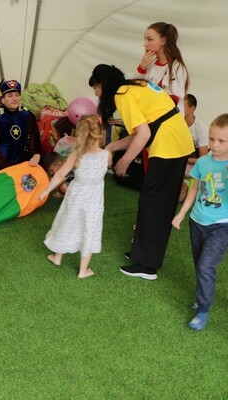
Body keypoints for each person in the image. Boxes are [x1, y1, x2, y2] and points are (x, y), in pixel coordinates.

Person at [90, 64, 194, 281]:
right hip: (177, 143)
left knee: (153, 203)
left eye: (96, 88)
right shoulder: (136, 85)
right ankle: (144, 255)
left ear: (103, 85)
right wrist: (112, 147)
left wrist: (124, 161)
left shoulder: (122, 94)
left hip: (168, 148)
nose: (96, 94)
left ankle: (147, 265)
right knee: (157, 204)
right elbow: (142, 132)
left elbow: (143, 134)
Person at [172, 114, 228, 330]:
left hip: (221, 225)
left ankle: (203, 308)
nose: (214, 144)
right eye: (212, 139)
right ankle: (202, 295)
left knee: (206, 265)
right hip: (196, 221)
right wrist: (181, 214)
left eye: (221, 141)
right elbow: (194, 189)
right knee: (200, 264)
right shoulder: (203, 162)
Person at [38, 115, 111, 278]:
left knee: (67, 222)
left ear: (80, 135)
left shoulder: (76, 155)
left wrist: (46, 190)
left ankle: (57, 257)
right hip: (94, 200)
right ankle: (83, 270)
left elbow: (60, 174)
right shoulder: (107, 155)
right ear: (101, 133)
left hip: (76, 196)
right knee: (90, 229)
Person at [0, 79, 42, 176]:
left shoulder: (27, 114)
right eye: (10, 96)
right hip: (0, 162)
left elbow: (34, 136)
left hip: (20, 159)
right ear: (3, 100)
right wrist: (7, 168)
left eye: (17, 95)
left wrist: (36, 154)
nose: (14, 99)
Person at [135, 22, 189, 114]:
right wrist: (142, 67)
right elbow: (132, 88)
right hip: (149, 116)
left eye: (150, 39)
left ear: (163, 41)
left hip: (167, 119)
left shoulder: (176, 67)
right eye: (145, 39)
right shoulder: (149, 63)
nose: (145, 44)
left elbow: (171, 100)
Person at [179, 94, 209, 201]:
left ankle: (184, 186)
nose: (179, 109)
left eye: (182, 106)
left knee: (175, 165)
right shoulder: (177, 123)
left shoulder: (201, 127)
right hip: (179, 159)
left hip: (192, 163)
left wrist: (183, 159)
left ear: (192, 109)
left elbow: (203, 159)